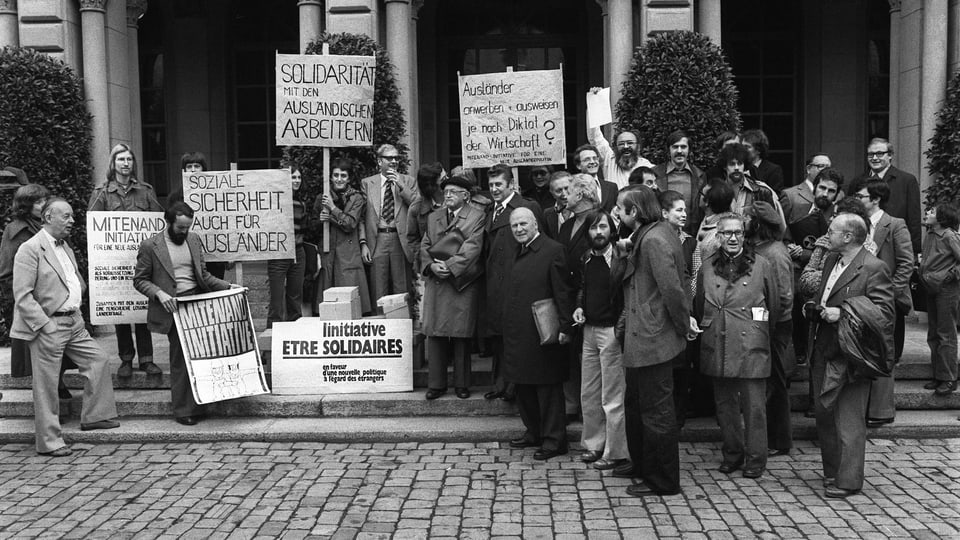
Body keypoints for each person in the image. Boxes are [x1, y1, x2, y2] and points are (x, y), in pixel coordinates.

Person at [12, 198, 120, 455]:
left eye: (72, 216)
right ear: (49, 217)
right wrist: (44, 325)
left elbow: (73, 279)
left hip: (74, 322)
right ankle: (49, 442)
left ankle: (95, 416)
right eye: (67, 216)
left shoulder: (65, 246)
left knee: (99, 359)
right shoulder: (30, 249)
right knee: (46, 385)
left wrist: (77, 306)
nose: (72, 220)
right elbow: (23, 296)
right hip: (49, 325)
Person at [806, 213, 894, 498]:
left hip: (852, 354)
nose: (826, 235)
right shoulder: (832, 260)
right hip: (824, 347)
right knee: (825, 413)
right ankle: (833, 471)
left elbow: (884, 315)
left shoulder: (874, 267)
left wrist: (843, 313)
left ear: (848, 236)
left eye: (831, 231)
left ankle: (849, 480)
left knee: (849, 417)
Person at [615, 186, 689, 496]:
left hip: (653, 337)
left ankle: (663, 480)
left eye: (620, 208)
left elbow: (673, 289)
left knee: (656, 411)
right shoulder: (646, 234)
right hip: (641, 336)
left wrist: (683, 326)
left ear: (634, 211)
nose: (616, 213)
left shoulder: (656, 238)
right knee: (636, 404)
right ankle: (643, 464)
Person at [133, 202, 235, 425]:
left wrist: (229, 287)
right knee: (180, 359)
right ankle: (183, 410)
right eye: (180, 228)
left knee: (201, 355)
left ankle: (201, 404)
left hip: (197, 303)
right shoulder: (150, 246)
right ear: (168, 223)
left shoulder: (194, 239)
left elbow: (204, 275)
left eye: (188, 227)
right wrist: (159, 294)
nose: (184, 232)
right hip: (174, 308)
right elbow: (139, 280)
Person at [695, 212, 780, 478]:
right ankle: (732, 453)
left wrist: (760, 331)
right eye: (727, 233)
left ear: (744, 235)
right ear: (717, 237)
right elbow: (699, 304)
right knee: (725, 405)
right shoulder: (707, 266)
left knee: (754, 406)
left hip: (750, 342)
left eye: (738, 233)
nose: (733, 238)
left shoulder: (762, 264)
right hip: (718, 340)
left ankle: (756, 458)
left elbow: (775, 305)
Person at [502, 207, 573, 460]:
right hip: (518, 330)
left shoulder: (553, 250)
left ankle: (554, 440)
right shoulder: (516, 251)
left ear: (535, 225)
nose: (519, 229)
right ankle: (533, 432)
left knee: (547, 387)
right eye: (514, 226)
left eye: (523, 224)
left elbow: (563, 292)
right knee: (523, 385)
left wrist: (565, 327)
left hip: (544, 330)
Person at [89, 143, 163, 378]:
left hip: (142, 261)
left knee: (142, 309)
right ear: (113, 163)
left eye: (129, 159)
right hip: (114, 262)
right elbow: (93, 227)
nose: (125, 163)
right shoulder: (101, 193)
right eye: (121, 159)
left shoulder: (146, 191)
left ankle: (147, 359)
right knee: (120, 311)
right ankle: (126, 359)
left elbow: (157, 223)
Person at [1, 184, 74, 396]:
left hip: (57, 300)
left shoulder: (50, 226)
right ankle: (51, 398)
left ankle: (58, 385)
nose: (44, 205)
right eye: (39, 202)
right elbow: (6, 272)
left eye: (45, 200)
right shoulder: (16, 231)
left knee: (59, 349)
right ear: (26, 206)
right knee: (39, 354)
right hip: (32, 304)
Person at [853, 179, 914, 423]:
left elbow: (906, 262)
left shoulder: (894, 225)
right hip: (858, 298)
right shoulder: (857, 224)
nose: (857, 200)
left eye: (861, 197)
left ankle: (881, 411)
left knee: (883, 351)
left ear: (875, 199)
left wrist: (889, 292)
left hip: (884, 300)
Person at [420, 175, 485, 400]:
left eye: (453, 192)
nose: (447, 195)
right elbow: (425, 245)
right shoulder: (434, 217)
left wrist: (448, 266)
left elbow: (473, 248)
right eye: (445, 192)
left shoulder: (477, 217)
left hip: (461, 282)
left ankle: (461, 384)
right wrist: (430, 266)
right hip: (437, 282)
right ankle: (436, 384)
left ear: (465, 196)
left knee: (461, 335)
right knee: (435, 335)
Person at [482, 164, 543, 402]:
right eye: (491, 186)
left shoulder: (527, 207)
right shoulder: (491, 210)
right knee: (498, 336)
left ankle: (514, 387)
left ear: (511, 185)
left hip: (518, 283)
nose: (495, 189)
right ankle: (501, 383)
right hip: (495, 285)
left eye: (499, 184)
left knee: (516, 336)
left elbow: (540, 244)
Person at [573, 209, 628, 470]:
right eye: (594, 228)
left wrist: (620, 329)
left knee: (613, 396)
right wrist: (579, 306)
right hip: (589, 331)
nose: (598, 232)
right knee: (589, 393)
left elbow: (627, 296)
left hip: (611, 331)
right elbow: (584, 288)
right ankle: (593, 444)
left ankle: (616, 451)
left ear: (611, 229)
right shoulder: (586, 258)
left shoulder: (619, 258)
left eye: (603, 227)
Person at [745, 202, 795, 457]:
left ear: (757, 223)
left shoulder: (775, 253)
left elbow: (784, 297)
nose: (743, 220)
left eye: (747, 217)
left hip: (775, 326)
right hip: (762, 323)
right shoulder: (757, 248)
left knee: (775, 381)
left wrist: (768, 324)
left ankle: (779, 439)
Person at [558, 174, 601, 422]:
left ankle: (590, 410)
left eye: (569, 190)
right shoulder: (566, 224)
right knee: (570, 354)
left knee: (590, 357)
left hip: (591, 297)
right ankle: (571, 405)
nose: (565, 195)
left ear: (582, 194)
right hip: (568, 296)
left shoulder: (599, 220)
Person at [362, 144, 418, 302]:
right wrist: (363, 243)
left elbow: (417, 205)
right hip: (377, 239)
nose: (394, 161)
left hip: (399, 239)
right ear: (380, 161)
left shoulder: (408, 181)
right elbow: (361, 217)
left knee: (401, 288)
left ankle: (401, 323)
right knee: (378, 288)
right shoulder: (367, 183)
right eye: (389, 158)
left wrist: (400, 184)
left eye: (396, 158)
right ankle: (380, 323)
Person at [315, 158, 372, 315]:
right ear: (331, 177)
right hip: (328, 253)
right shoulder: (322, 198)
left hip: (348, 254)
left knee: (348, 301)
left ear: (349, 178)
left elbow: (350, 223)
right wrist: (320, 221)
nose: (339, 179)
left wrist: (332, 210)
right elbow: (312, 227)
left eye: (343, 176)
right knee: (327, 304)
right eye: (336, 175)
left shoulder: (357, 198)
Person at [851, 138, 922, 255]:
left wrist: (914, 251)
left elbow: (913, 219)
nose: (874, 158)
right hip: (862, 245)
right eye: (871, 154)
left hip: (894, 245)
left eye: (879, 153)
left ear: (890, 156)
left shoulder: (907, 180)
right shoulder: (857, 182)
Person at [919, 203, 960, 396]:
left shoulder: (950, 235)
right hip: (931, 286)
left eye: (932, 211)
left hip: (946, 289)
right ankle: (939, 374)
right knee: (933, 333)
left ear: (942, 218)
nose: (927, 213)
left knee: (946, 333)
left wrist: (951, 275)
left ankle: (949, 378)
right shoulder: (929, 234)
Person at [168, 151, 228, 280]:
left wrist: (231, 254)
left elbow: (226, 222)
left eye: (197, 166)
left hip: (214, 256)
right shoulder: (175, 197)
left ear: (203, 169)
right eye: (189, 167)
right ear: (184, 170)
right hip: (186, 254)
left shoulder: (217, 193)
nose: (193, 170)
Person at [586, 89, 654, 188]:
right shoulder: (609, 160)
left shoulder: (647, 166)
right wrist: (594, 102)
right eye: (621, 144)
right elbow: (595, 138)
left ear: (638, 146)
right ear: (616, 147)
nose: (626, 146)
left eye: (630, 143)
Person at [266, 164, 306, 327]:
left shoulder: (301, 203)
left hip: (298, 252)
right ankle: (271, 340)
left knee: (295, 299)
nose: (296, 180)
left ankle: (295, 335)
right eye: (293, 177)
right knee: (276, 300)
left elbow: (304, 230)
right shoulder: (275, 200)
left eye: (298, 177)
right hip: (279, 254)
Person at [716, 143, 785, 228]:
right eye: (732, 164)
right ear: (724, 166)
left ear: (744, 166)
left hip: (755, 240)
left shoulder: (762, 192)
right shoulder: (717, 193)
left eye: (740, 163)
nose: (737, 167)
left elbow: (776, 225)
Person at [653, 130, 706, 235]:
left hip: (691, 236)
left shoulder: (700, 176)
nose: (679, 151)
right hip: (661, 235)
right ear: (669, 150)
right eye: (675, 147)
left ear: (689, 150)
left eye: (683, 147)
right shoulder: (655, 174)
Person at [780, 153, 833, 227]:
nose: (825, 170)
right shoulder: (790, 195)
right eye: (821, 166)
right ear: (808, 169)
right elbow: (781, 226)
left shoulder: (835, 194)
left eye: (828, 167)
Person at [574, 144, 618, 212]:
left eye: (595, 158)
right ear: (578, 165)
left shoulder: (612, 187)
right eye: (587, 159)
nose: (592, 162)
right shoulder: (573, 186)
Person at [742, 129, 784, 194]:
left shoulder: (773, 170)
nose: (742, 150)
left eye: (747, 147)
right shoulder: (740, 167)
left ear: (758, 150)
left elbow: (775, 196)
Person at [542, 171, 572, 240]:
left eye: (567, 188)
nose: (564, 194)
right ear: (552, 194)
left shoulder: (583, 212)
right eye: (559, 190)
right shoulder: (547, 214)